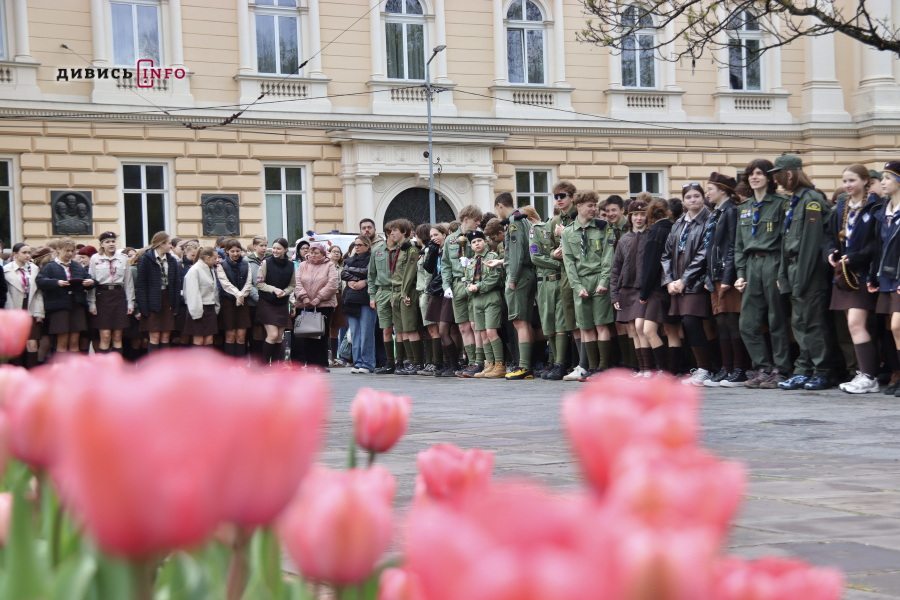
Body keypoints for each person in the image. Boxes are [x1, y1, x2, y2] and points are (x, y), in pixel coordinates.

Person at [769, 155, 834, 391]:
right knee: (799, 323)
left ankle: (822, 371)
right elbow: (786, 241)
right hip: (795, 268)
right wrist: (783, 275)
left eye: (778, 174)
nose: (775, 180)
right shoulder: (793, 201)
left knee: (813, 323)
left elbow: (811, 243)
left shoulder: (812, 200)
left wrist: (801, 279)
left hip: (810, 270)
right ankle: (804, 369)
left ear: (789, 174)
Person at [822, 164, 883, 392]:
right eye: (845, 181)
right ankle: (864, 373)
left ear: (865, 181)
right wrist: (830, 253)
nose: (847, 185)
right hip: (843, 274)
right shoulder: (840, 206)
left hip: (863, 273)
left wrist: (856, 258)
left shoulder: (877, 205)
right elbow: (828, 237)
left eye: (852, 181)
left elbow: (877, 243)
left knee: (855, 324)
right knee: (854, 326)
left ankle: (869, 376)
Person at [733, 159, 791, 389]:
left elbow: (787, 241)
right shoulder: (744, 207)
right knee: (747, 323)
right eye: (750, 174)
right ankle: (761, 367)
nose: (754, 177)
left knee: (776, 319)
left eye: (759, 173)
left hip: (773, 262)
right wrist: (740, 273)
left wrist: (782, 273)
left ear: (769, 177)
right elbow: (738, 244)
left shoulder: (781, 203)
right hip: (751, 264)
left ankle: (780, 369)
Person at [561, 190, 616, 381]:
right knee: (585, 327)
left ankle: (603, 367)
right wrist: (577, 287)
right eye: (590, 206)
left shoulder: (604, 228)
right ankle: (591, 368)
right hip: (580, 282)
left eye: (595, 205)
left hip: (599, 279)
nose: (594, 209)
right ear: (579, 207)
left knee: (601, 324)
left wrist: (603, 282)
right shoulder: (568, 232)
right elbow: (569, 263)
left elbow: (608, 257)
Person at [663, 183, 714, 386]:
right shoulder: (679, 223)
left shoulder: (710, 220)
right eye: (688, 197)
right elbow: (666, 254)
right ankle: (703, 366)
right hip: (677, 280)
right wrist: (669, 281)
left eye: (696, 196)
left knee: (693, 322)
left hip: (697, 280)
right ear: (683, 201)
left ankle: (706, 368)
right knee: (686, 324)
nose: (692, 200)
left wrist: (685, 280)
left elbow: (704, 253)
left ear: (703, 198)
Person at [703, 173, 749, 387]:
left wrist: (729, 277)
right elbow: (709, 248)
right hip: (715, 276)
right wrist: (708, 275)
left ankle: (739, 369)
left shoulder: (731, 211)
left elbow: (733, 246)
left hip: (726, 275)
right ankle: (727, 367)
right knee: (721, 322)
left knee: (732, 322)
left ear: (722, 191)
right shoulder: (716, 212)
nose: (707, 193)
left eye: (710, 189)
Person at [493, 193, 537, 380]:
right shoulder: (523, 220)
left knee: (520, 321)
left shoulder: (514, 222)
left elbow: (517, 252)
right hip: (525, 274)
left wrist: (512, 277)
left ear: (500, 206)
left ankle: (525, 367)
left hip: (519, 277)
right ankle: (525, 365)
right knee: (523, 321)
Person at [442, 205, 485, 377]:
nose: (478, 223)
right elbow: (445, 264)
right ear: (466, 219)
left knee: (476, 325)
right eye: (476, 220)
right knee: (463, 327)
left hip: (473, 283)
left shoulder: (478, 236)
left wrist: (473, 261)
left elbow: (486, 255)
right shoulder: (451, 239)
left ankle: (479, 362)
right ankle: (471, 362)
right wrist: (446, 285)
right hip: (457, 285)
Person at [610, 199, 652, 376]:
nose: (639, 218)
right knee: (633, 329)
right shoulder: (625, 239)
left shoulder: (651, 236)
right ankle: (641, 368)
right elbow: (616, 268)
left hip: (643, 290)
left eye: (643, 214)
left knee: (642, 327)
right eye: (635, 214)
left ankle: (649, 368)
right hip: (626, 290)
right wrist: (614, 296)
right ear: (630, 217)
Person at [549, 181, 584, 381]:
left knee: (586, 320)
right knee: (572, 320)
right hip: (565, 275)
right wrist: (554, 253)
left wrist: (567, 235)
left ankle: (588, 364)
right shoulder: (555, 222)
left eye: (563, 196)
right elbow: (550, 248)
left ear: (572, 197)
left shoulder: (580, 218)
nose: (559, 200)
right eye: (556, 197)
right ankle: (578, 363)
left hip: (583, 272)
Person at [36, 238, 95, 355]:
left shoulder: (77, 266)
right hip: (59, 305)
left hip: (76, 304)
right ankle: (61, 370)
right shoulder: (50, 266)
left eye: (72, 251)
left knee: (74, 341)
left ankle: (73, 370)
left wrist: (91, 282)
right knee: (62, 341)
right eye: (67, 250)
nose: (70, 254)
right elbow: (40, 281)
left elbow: (91, 280)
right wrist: (57, 283)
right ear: (58, 249)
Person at [639, 200, 679, 374]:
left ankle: (664, 370)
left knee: (648, 330)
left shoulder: (655, 231)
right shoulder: (675, 228)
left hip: (657, 287)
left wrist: (643, 292)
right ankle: (674, 370)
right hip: (674, 284)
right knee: (671, 329)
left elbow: (650, 264)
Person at [463, 231, 506, 379]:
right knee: (481, 332)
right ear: (470, 245)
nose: (477, 244)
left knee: (490, 331)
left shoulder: (493, 257)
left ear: (486, 242)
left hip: (490, 297)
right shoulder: (471, 262)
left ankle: (500, 364)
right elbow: (467, 279)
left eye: (479, 241)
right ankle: (489, 363)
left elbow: (495, 277)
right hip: (476, 299)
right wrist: (469, 287)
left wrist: (479, 286)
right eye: (474, 242)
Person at [87, 232, 134, 355]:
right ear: (102, 244)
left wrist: (130, 303)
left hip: (119, 295)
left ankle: (117, 368)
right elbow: (91, 282)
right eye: (107, 242)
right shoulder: (95, 259)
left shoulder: (123, 258)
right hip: (102, 296)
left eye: (113, 241)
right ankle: (104, 369)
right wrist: (92, 303)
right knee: (106, 336)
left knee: (118, 336)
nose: (111, 244)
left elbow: (128, 282)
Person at [294, 242, 339, 372]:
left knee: (322, 333)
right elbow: (297, 282)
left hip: (324, 304)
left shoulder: (329, 265)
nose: (312, 255)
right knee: (306, 333)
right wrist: (305, 297)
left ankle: (322, 363)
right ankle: (310, 363)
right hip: (304, 304)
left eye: (316, 252)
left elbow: (332, 283)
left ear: (322, 253)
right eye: (311, 252)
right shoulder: (302, 265)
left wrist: (319, 298)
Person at [135, 231, 182, 353]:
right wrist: (143, 308)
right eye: (169, 243)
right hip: (152, 301)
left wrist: (176, 307)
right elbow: (141, 286)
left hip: (168, 299)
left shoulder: (171, 260)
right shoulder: (146, 259)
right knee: (155, 337)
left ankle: (165, 368)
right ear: (161, 244)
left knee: (166, 337)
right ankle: (154, 369)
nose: (171, 246)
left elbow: (177, 284)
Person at [389, 220, 425, 375]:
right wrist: (394, 295)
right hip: (396, 292)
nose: (391, 234)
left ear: (404, 232)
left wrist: (404, 294)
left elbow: (409, 274)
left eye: (395, 230)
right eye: (391, 231)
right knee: (402, 330)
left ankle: (417, 363)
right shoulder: (399, 249)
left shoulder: (411, 249)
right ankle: (409, 362)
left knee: (410, 328)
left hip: (407, 292)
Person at [423, 224, 457, 376]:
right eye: (431, 236)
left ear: (445, 234)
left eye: (436, 235)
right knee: (438, 330)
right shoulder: (435, 250)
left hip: (447, 290)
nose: (433, 238)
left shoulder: (449, 249)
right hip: (436, 291)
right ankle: (447, 364)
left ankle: (455, 364)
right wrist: (432, 249)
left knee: (444, 330)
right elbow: (429, 269)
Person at [256, 238, 295, 367]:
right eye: (273, 248)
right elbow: (259, 283)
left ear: (285, 250)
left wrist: (285, 291)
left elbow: (292, 284)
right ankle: (265, 366)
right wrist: (274, 290)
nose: (275, 251)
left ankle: (277, 366)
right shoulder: (266, 263)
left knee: (279, 337)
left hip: (282, 303)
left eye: (278, 248)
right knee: (272, 335)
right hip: (267, 302)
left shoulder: (291, 265)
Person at [3, 243, 44, 368]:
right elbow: (6, 293)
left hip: (31, 306)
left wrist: (39, 312)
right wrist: (10, 314)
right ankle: (18, 373)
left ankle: (32, 372)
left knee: (32, 343)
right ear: (15, 254)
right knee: (17, 344)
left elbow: (38, 292)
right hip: (14, 308)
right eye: (24, 252)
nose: (27, 255)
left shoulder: (34, 268)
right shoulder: (6, 270)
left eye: (28, 252)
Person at [343, 236, 376, 374]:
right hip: (350, 300)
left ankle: (367, 363)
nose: (357, 247)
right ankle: (357, 362)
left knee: (366, 332)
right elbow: (344, 273)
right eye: (355, 244)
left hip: (366, 299)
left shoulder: (372, 258)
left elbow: (371, 273)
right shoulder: (349, 260)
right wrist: (357, 278)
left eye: (360, 244)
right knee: (355, 333)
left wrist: (365, 281)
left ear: (367, 246)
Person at [216, 239, 253, 359]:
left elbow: (249, 282)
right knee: (230, 336)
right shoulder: (221, 265)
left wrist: (242, 295)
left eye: (238, 251)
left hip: (243, 303)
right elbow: (225, 283)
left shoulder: (246, 264)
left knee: (241, 336)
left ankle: (241, 364)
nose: (236, 254)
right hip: (229, 303)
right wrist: (238, 295)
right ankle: (230, 365)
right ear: (227, 251)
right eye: (232, 251)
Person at [413, 224, 441, 374]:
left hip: (427, 291)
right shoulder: (423, 251)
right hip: (422, 292)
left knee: (432, 329)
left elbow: (428, 274)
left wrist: (427, 293)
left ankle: (436, 362)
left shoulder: (429, 251)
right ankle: (430, 361)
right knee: (430, 330)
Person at [183, 247, 221, 347]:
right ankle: (198, 363)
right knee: (199, 341)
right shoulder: (194, 270)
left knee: (209, 340)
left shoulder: (210, 269)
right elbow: (192, 294)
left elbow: (214, 291)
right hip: (198, 309)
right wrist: (196, 313)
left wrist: (216, 307)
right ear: (208, 258)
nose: (217, 260)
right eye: (215, 258)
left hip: (210, 308)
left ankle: (208, 363)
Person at [246, 235, 269, 364]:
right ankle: (256, 361)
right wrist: (259, 299)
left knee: (268, 332)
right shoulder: (248, 261)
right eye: (261, 245)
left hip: (268, 301)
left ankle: (266, 361)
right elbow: (249, 283)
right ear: (254, 246)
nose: (264, 248)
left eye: (266, 245)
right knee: (256, 333)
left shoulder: (270, 259)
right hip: (254, 303)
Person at [328, 245, 349, 367]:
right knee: (326, 328)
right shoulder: (325, 267)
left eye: (339, 252)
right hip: (328, 298)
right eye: (334, 251)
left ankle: (334, 357)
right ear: (329, 253)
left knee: (335, 328)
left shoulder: (342, 268)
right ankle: (327, 356)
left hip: (340, 298)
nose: (336, 254)